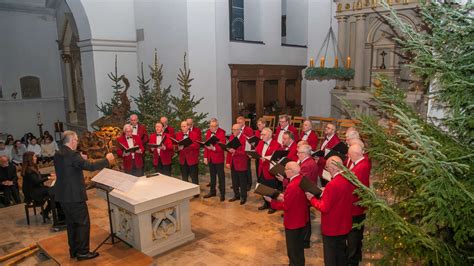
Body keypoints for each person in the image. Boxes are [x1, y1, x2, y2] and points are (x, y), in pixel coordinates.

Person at [53, 130, 114, 261]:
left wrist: (80, 159)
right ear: (72, 141)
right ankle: (83, 252)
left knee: (71, 224)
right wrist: (107, 160)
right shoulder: (73, 155)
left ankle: (74, 251)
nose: (77, 143)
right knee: (82, 224)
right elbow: (90, 166)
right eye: (76, 140)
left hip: (63, 196)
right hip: (74, 196)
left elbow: (71, 165)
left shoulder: (59, 153)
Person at [306, 156, 354, 266]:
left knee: (331, 258)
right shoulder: (348, 178)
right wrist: (325, 191)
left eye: (327, 167)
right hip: (344, 224)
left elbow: (324, 207)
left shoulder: (332, 184)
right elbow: (340, 197)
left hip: (332, 227)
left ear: (332, 168)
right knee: (341, 254)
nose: (327, 170)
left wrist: (312, 199)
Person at [264, 162, 309, 266]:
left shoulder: (292, 186)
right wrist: (284, 196)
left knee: (293, 251)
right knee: (299, 249)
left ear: (291, 171)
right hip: (301, 218)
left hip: (293, 221)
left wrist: (272, 202)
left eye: (286, 169)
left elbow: (286, 206)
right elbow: (296, 199)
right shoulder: (301, 180)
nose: (284, 171)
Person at [347, 144, 371, 266]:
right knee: (354, 236)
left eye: (349, 154)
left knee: (353, 237)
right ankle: (354, 257)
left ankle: (352, 261)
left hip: (355, 208)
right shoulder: (362, 164)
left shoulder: (360, 168)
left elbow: (356, 189)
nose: (348, 156)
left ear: (355, 154)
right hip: (357, 206)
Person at [255, 127, 281, 213]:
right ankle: (266, 203)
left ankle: (273, 206)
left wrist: (266, 159)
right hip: (261, 169)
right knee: (263, 187)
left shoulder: (276, 145)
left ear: (269, 135)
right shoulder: (260, 143)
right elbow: (257, 152)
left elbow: (277, 158)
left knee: (271, 189)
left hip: (270, 170)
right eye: (261, 134)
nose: (261, 136)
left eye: (263, 134)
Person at [21, 152, 54, 219]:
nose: (36, 158)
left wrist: (49, 174)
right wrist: (49, 178)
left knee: (53, 193)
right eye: (34, 157)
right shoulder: (28, 170)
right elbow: (36, 181)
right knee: (53, 192)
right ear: (30, 159)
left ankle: (46, 212)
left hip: (36, 189)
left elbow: (39, 176)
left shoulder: (31, 167)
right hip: (32, 192)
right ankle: (47, 212)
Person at [203, 118, 226, 201]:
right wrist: (205, 157)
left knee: (221, 177)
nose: (211, 128)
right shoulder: (208, 132)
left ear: (217, 126)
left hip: (218, 158)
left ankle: (222, 193)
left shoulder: (221, 132)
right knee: (212, 176)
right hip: (210, 158)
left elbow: (223, 146)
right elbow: (206, 145)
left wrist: (214, 148)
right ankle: (212, 191)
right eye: (210, 126)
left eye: (213, 126)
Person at [226, 124, 249, 205]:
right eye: (233, 129)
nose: (234, 131)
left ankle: (243, 197)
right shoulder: (231, 137)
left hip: (241, 163)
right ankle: (236, 195)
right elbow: (229, 150)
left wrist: (235, 152)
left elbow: (245, 153)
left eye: (236, 130)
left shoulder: (244, 138)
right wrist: (228, 162)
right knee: (234, 181)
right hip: (233, 162)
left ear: (240, 130)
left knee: (242, 182)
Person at [176, 121, 201, 187]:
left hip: (192, 159)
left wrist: (187, 145)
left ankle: (196, 193)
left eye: (184, 126)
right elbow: (176, 146)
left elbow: (197, 145)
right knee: (184, 178)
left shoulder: (194, 134)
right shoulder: (178, 134)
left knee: (194, 178)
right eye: (181, 126)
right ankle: (187, 192)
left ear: (188, 126)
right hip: (183, 159)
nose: (182, 128)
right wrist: (178, 148)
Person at [236, 116, 254, 191]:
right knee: (239, 169)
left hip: (246, 151)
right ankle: (240, 183)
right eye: (237, 122)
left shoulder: (248, 129)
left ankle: (249, 184)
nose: (238, 124)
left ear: (244, 122)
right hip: (238, 151)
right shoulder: (236, 129)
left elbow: (251, 141)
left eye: (240, 123)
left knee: (247, 169)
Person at [254, 118, 266, 183]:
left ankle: (262, 181)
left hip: (264, 152)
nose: (258, 126)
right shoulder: (257, 132)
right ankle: (259, 180)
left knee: (263, 168)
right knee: (257, 165)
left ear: (264, 124)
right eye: (257, 124)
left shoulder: (267, 132)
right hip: (258, 151)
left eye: (259, 124)